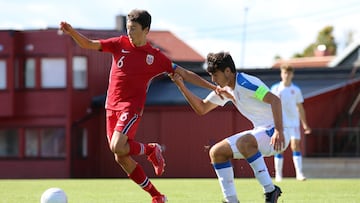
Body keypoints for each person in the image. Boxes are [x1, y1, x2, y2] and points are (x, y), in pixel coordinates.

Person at [60, 9, 216, 203]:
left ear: (146, 30)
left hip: (130, 107)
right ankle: (156, 194)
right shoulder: (119, 44)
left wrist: (213, 87)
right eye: (127, 28)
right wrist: (72, 32)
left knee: (118, 146)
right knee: (121, 156)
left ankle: (150, 151)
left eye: (133, 29)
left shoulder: (155, 57)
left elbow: (185, 73)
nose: (129, 33)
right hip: (111, 107)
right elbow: (89, 44)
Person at [170, 51, 289, 203]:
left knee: (244, 142)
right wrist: (181, 87)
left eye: (215, 75)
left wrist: (278, 130)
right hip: (261, 132)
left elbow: (275, 100)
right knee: (216, 152)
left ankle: (270, 191)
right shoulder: (224, 89)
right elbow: (202, 108)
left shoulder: (246, 83)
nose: (213, 80)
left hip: (278, 133)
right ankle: (231, 200)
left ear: (228, 71)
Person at [271, 64, 311, 182]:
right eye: (284, 73)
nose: (287, 75)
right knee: (280, 148)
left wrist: (305, 124)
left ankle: (299, 173)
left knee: (295, 146)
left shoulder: (296, 90)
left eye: (289, 73)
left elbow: (300, 108)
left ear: (292, 75)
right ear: (281, 74)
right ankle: (278, 175)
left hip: (293, 123)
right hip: (280, 124)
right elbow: (269, 105)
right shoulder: (275, 88)